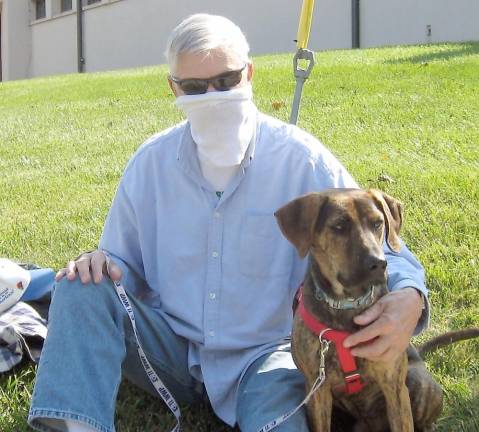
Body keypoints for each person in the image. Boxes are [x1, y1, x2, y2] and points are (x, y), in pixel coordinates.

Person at [28, 13, 427, 432]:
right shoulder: (150, 165)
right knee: (77, 284)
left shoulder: (301, 160)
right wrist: (98, 263)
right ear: (173, 88)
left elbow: (384, 246)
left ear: (249, 74)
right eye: (195, 88)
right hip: (170, 349)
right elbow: (120, 265)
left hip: (266, 361)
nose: (213, 96)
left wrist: (410, 296)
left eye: (226, 81)